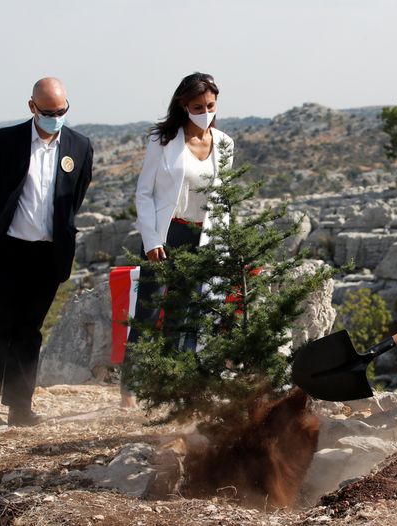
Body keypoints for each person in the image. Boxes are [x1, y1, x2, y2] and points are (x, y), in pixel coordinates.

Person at [0, 78, 93, 427]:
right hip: (8, 250)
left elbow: (74, 198)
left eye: (61, 111)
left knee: (28, 332)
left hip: (47, 256)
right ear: (32, 107)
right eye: (48, 112)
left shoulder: (80, 146)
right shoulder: (4, 141)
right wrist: (3, 225)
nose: (55, 117)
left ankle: (19, 408)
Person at [124, 72, 234, 407]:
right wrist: (151, 239)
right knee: (149, 310)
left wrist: (222, 243)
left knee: (185, 316)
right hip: (166, 233)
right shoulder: (163, 140)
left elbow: (223, 197)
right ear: (184, 105)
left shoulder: (226, 144)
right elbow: (144, 194)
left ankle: (172, 388)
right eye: (198, 106)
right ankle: (129, 388)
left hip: (203, 237)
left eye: (210, 105)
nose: (205, 111)